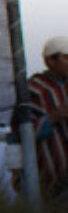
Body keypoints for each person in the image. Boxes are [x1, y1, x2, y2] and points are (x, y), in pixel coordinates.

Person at [23, 36, 68, 198]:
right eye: (66, 57)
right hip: (52, 176)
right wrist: (55, 116)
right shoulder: (33, 90)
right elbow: (21, 134)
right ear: (50, 61)